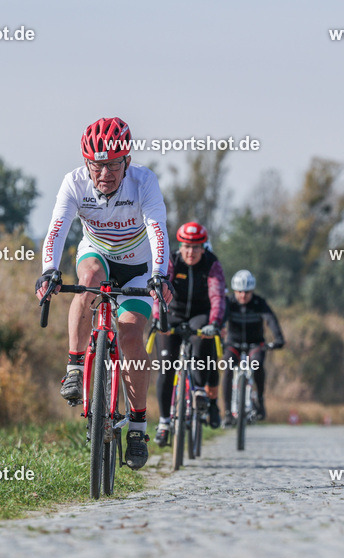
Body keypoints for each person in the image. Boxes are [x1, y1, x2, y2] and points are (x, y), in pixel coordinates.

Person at [35, 117, 171, 470]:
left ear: (126, 161)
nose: (105, 173)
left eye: (113, 164)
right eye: (97, 165)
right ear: (86, 164)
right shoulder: (74, 183)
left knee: (128, 334)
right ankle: (76, 367)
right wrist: (49, 271)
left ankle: (138, 426)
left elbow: (157, 229)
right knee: (89, 279)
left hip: (138, 269)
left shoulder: (144, 182)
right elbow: (57, 229)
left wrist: (160, 275)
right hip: (97, 255)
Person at [152, 221, 226, 445]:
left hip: (200, 314)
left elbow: (217, 296)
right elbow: (159, 290)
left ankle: (198, 390)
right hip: (172, 312)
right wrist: (157, 317)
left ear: (203, 248)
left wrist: (214, 322)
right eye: (186, 246)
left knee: (203, 337)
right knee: (166, 368)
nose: (191, 252)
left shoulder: (212, 264)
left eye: (196, 247)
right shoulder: (172, 261)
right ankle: (164, 422)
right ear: (180, 246)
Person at [222, 269, 284, 425]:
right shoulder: (229, 302)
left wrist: (278, 338)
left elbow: (271, 320)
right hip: (233, 343)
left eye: (247, 292)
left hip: (255, 344)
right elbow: (220, 319)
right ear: (234, 291)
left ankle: (260, 401)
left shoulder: (259, 303)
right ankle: (228, 412)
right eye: (240, 292)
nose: (243, 296)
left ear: (252, 291)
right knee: (228, 369)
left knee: (257, 365)